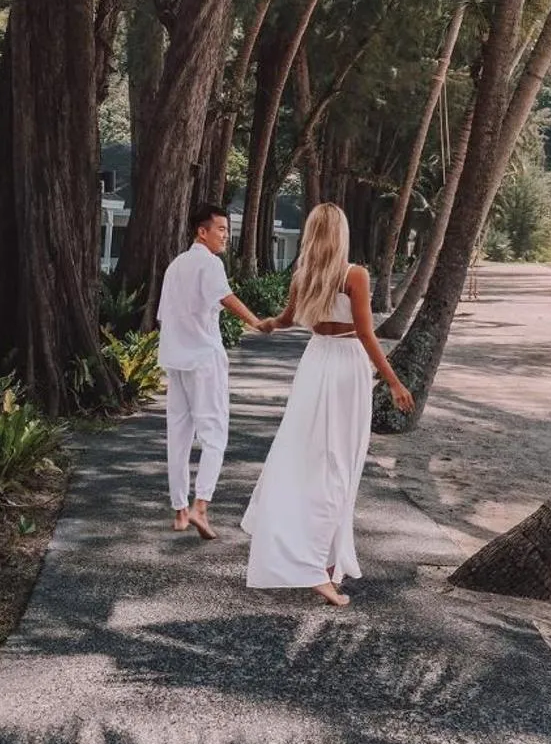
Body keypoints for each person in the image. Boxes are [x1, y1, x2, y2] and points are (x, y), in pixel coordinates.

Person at [243, 202, 413, 607]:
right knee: (338, 464)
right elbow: (367, 335)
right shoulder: (355, 275)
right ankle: (316, 568)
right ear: (341, 233)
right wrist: (394, 383)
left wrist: (264, 323)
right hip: (345, 367)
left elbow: (284, 320)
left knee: (308, 457)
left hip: (315, 362)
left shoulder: (304, 275)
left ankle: (317, 555)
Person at [157, 202, 271, 540]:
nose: (225, 235)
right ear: (201, 231)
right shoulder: (210, 263)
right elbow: (226, 298)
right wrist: (257, 321)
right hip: (204, 361)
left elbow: (165, 315)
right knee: (215, 436)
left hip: (175, 360)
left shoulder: (175, 266)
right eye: (220, 229)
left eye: (226, 229)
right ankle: (200, 507)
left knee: (177, 437)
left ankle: (179, 511)